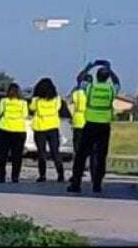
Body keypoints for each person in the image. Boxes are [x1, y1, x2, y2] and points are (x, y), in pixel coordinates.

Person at [68, 64, 121, 193]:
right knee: (101, 156)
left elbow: (79, 79)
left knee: (81, 155)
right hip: (104, 126)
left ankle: (76, 184)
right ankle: (97, 184)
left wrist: (89, 67)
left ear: (96, 76)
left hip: (90, 124)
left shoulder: (91, 88)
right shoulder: (110, 90)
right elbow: (117, 82)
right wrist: (110, 69)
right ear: (107, 77)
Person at [30, 78, 65, 182]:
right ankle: (60, 174)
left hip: (40, 128)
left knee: (42, 153)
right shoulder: (57, 99)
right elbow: (58, 108)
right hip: (53, 127)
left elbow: (31, 108)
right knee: (55, 152)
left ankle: (42, 175)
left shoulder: (36, 100)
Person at [0, 83, 29, 183]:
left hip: (4, 128)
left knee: (2, 155)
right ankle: (15, 176)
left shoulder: (4, 101)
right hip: (19, 130)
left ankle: (1, 176)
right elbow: (25, 115)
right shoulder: (23, 103)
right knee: (17, 155)